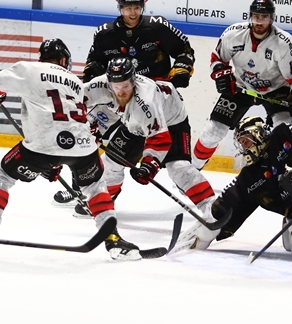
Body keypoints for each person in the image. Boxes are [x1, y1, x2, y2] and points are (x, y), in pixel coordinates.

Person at [0, 38, 141, 261]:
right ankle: (114, 240)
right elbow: (65, 125)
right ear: (64, 60)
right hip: (83, 148)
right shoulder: (75, 82)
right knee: (97, 187)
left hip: (41, 147)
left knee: (0, 176)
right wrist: (56, 161)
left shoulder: (28, 69)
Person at [64, 57, 215, 218]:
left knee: (178, 167)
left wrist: (150, 165)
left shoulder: (146, 100)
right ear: (109, 83)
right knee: (110, 164)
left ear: (133, 81)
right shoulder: (100, 85)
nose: (121, 91)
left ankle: (212, 207)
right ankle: (106, 202)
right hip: (134, 124)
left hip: (171, 120)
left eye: (125, 86)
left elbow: (159, 139)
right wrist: (83, 125)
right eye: (116, 87)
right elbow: (74, 99)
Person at [183, 115, 292, 251]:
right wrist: (207, 229)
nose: (245, 148)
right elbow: (229, 201)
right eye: (241, 144)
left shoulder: (283, 135)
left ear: (258, 134)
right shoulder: (251, 176)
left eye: (246, 141)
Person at [192, 0, 292, 170]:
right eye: (256, 16)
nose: (259, 21)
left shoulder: (283, 42)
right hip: (241, 87)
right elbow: (217, 58)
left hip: (276, 90)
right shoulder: (233, 34)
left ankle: (284, 175)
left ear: (272, 18)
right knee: (213, 131)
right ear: (250, 16)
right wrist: (221, 74)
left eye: (264, 17)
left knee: (285, 129)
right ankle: (192, 172)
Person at [81, 0, 196, 88]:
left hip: (157, 88)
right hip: (122, 91)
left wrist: (182, 68)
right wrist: (92, 72)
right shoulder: (105, 34)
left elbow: (184, 49)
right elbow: (95, 61)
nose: (133, 13)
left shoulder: (158, 27)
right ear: (120, 8)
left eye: (137, 8)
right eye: (128, 9)